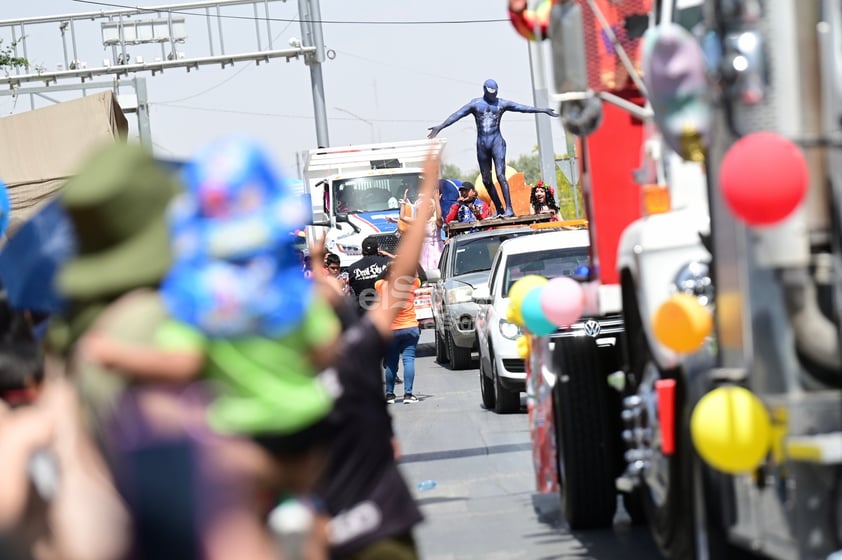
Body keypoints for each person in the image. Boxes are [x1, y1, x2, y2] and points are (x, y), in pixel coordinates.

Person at [314, 149, 440, 560]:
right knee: (399, 362)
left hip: (324, 536)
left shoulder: (280, 382)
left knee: (390, 366)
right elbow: (403, 273)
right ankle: (400, 393)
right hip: (384, 526)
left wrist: (319, 265)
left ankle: (392, 393)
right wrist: (423, 205)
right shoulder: (353, 354)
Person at [428, 79, 558, 217]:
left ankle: (509, 209)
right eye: (490, 93)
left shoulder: (501, 103)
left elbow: (522, 108)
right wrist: (440, 126)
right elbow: (457, 115)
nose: (493, 96)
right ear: (484, 90)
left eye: (495, 93)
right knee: (486, 180)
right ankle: (499, 208)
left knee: (501, 175)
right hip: (482, 145)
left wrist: (543, 110)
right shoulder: (476, 104)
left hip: (497, 142)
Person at [375, 263, 421, 404]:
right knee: (409, 360)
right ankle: (408, 394)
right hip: (410, 327)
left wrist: (388, 268)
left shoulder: (381, 285)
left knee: (391, 363)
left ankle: (390, 395)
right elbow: (422, 276)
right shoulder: (412, 283)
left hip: (391, 330)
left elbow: (377, 278)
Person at [395, 188, 444, 271]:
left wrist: (436, 201)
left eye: (429, 205)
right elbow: (402, 217)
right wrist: (404, 201)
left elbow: (439, 216)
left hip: (436, 248)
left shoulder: (436, 221)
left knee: (437, 269)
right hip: (423, 250)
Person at [347, 237, 391, 316]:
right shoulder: (388, 262)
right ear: (378, 250)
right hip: (385, 310)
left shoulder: (352, 268)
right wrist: (389, 255)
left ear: (362, 251)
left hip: (363, 311)